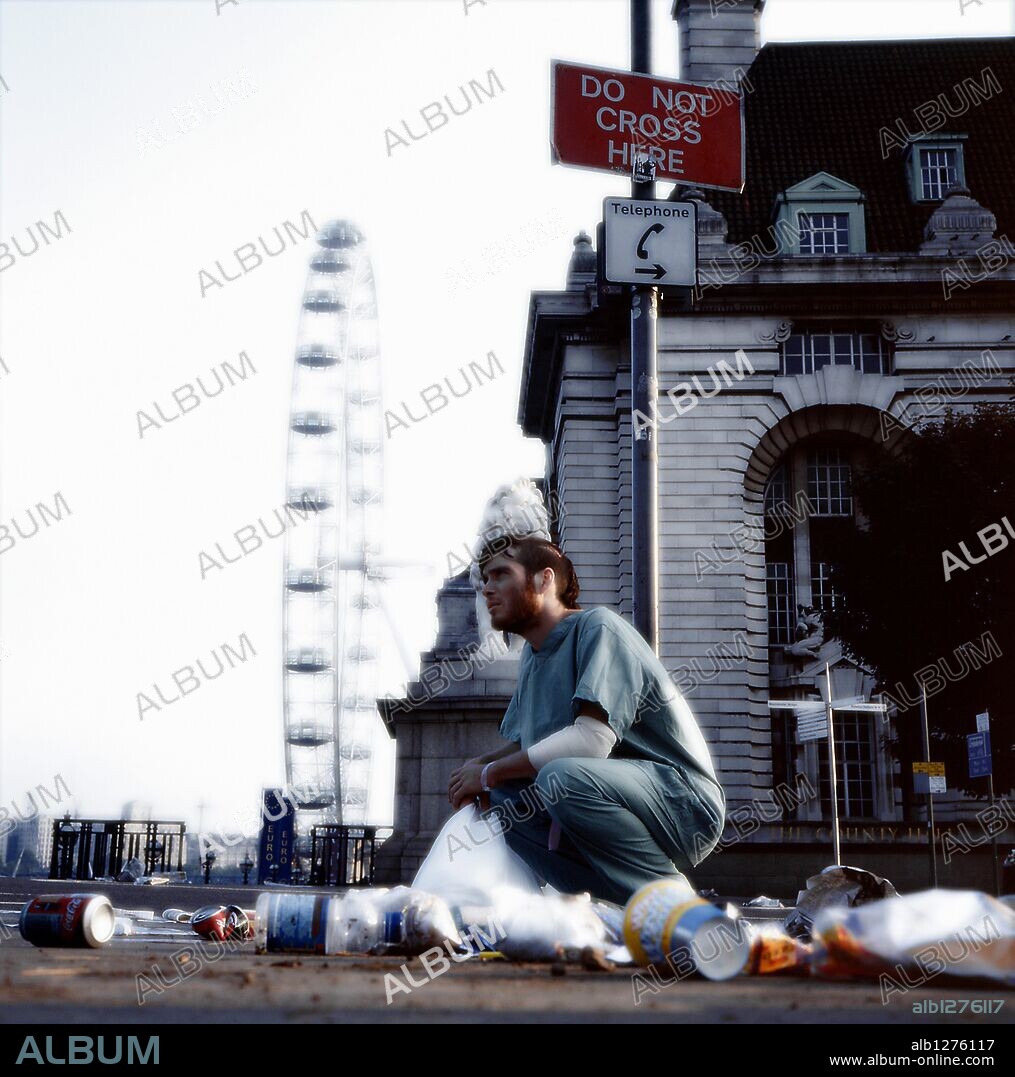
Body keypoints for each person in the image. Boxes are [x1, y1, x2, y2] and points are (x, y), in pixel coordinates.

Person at [447, 536, 726, 906]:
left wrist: (488, 772)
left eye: (500, 574)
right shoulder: (533, 657)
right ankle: (618, 905)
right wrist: (479, 769)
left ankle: (677, 902)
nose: (487, 589)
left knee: (557, 777)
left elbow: (591, 739)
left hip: (683, 802)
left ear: (544, 581)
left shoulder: (599, 628)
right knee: (500, 800)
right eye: (484, 579)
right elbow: (529, 744)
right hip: (611, 794)